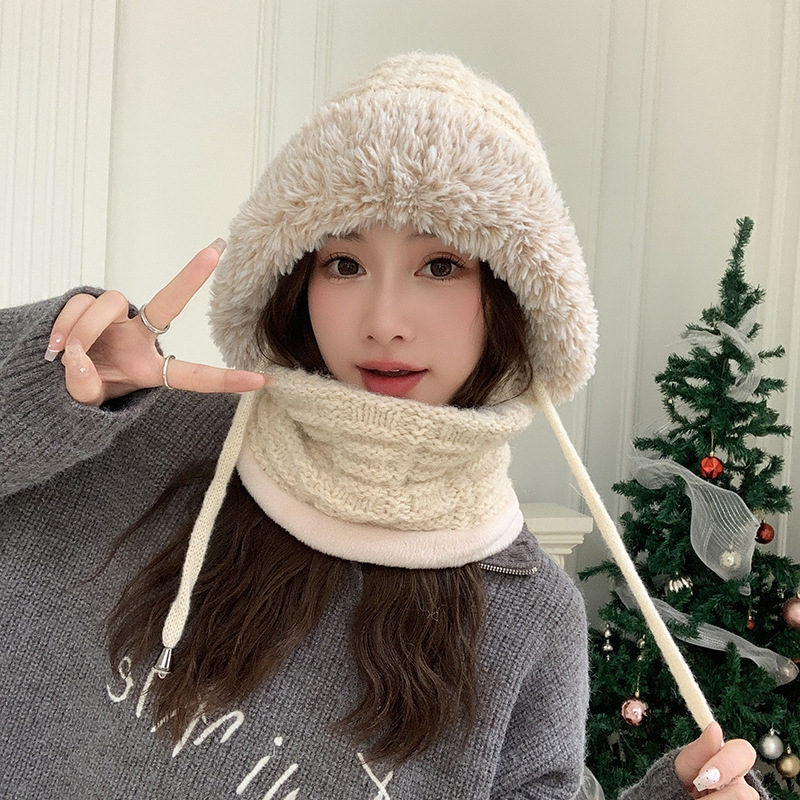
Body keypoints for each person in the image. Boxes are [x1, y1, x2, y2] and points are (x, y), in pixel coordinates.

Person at [0, 53, 762, 799]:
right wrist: (37, 381)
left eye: (442, 266)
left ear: (515, 296)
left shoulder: (531, 616)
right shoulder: (129, 432)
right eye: (344, 263)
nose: (385, 322)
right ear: (293, 280)